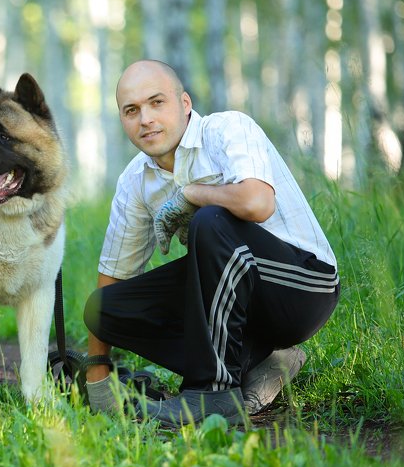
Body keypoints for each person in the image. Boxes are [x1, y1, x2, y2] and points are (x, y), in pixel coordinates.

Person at [83, 60, 340, 428]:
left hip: (302, 286)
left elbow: (257, 202)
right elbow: (114, 274)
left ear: (185, 103)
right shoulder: (135, 181)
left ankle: (212, 393)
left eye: (157, 103)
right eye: (132, 110)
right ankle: (262, 363)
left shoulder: (226, 129)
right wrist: (98, 377)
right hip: (237, 302)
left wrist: (194, 193)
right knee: (105, 307)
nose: (146, 119)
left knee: (211, 221)